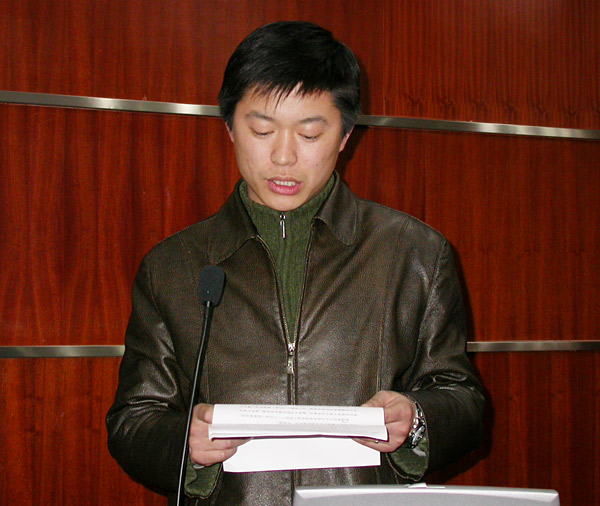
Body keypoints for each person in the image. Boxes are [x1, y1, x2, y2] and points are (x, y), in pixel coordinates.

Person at [107, 20, 485, 506]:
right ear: (230, 127)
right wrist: (185, 443)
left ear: (345, 135)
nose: (283, 157)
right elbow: (134, 420)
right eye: (262, 130)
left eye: (309, 133)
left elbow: (463, 399)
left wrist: (416, 420)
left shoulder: (415, 254)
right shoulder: (173, 266)